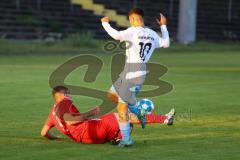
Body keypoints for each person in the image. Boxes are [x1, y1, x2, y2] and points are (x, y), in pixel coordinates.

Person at [101, 8, 170, 146]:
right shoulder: (151, 33)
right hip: (131, 72)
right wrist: (163, 26)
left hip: (133, 75)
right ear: (141, 18)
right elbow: (166, 43)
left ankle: (126, 140)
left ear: (132, 19)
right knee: (111, 94)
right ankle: (139, 111)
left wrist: (105, 23)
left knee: (121, 108)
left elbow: (116, 35)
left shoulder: (132, 31)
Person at [41, 86, 175, 144]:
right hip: (89, 130)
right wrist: (91, 113)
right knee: (124, 116)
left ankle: (118, 139)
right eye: (68, 93)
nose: (70, 96)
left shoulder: (52, 113)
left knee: (124, 122)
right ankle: (165, 119)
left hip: (84, 139)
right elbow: (70, 122)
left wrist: (56, 138)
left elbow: (43, 133)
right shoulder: (64, 103)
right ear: (63, 95)